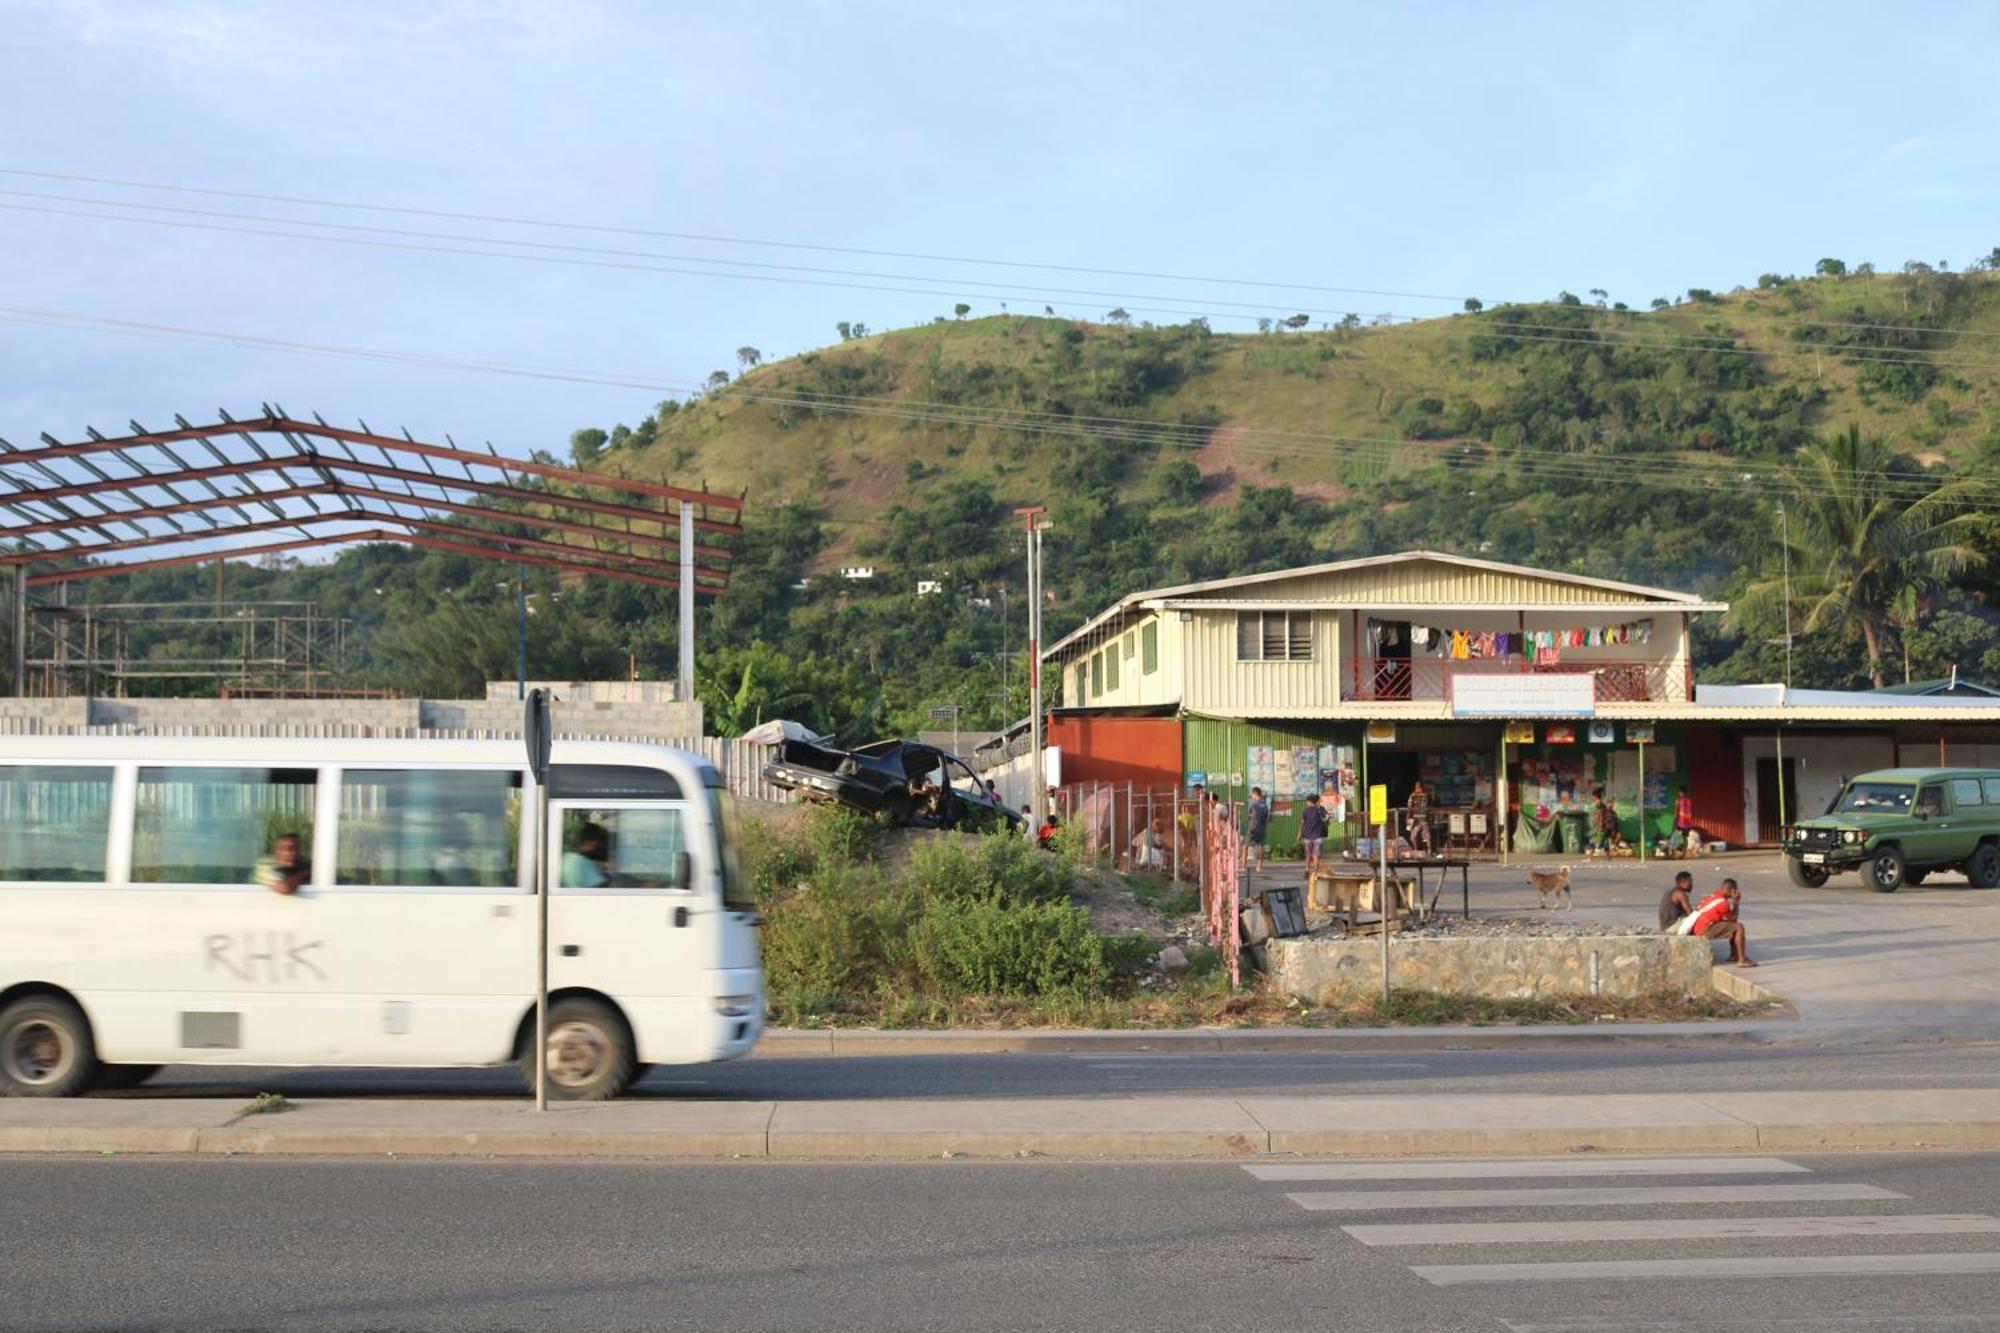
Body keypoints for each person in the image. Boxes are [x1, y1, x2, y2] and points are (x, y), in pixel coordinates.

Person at [1677, 877, 1755, 967]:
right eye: (1735, 889)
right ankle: (1742, 959)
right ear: (1732, 890)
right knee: (1739, 927)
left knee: (1732, 926)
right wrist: (1736, 902)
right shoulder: (1723, 903)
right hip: (1704, 930)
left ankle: (1734, 955)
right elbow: (1733, 919)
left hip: (1699, 927)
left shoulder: (1714, 896)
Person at [562, 821, 611, 888]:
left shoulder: (567, 858)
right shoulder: (583, 863)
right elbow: (603, 891)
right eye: (600, 841)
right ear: (593, 842)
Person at [1299, 792, 1329, 880]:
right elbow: (1327, 817)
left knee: (1308, 855)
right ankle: (1315, 872)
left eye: (1307, 801)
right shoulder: (1321, 809)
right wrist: (1325, 820)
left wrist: (1300, 833)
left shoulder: (1305, 810)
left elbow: (1302, 823)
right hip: (1318, 836)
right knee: (1316, 855)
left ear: (1309, 801)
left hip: (1308, 836)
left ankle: (1307, 870)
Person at [1244, 786, 1270, 873]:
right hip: (1262, 829)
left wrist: (1252, 817)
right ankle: (1259, 867)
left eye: (1252, 795)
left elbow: (1249, 815)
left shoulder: (1253, 804)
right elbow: (1267, 818)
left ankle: (1243, 865)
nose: (1251, 797)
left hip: (1252, 828)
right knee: (1260, 847)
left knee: (1245, 846)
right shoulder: (1265, 806)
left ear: (1255, 794)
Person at [1406, 780, 1431, 853]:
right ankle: (1426, 850)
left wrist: (1408, 818)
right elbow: (1430, 806)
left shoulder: (1413, 796)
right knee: (1425, 836)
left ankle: (1418, 850)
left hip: (1419, 820)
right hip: (1421, 819)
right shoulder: (1425, 795)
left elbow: (1409, 808)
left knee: (1415, 836)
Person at [1593, 789, 1621, 855]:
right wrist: (1600, 825)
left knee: (1608, 841)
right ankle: (1598, 849)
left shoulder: (1614, 813)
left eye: (1612, 803)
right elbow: (1600, 819)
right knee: (1602, 839)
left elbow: (1616, 823)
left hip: (1611, 830)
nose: (1611, 805)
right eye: (1609, 803)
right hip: (1605, 828)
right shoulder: (1604, 811)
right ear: (1607, 804)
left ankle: (1607, 850)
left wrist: (1617, 831)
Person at [1674, 786, 1697, 857]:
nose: (1679, 793)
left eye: (1679, 792)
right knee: (1685, 838)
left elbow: (1676, 811)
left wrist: (1675, 820)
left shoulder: (1678, 801)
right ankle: (1683, 853)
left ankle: (1676, 853)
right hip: (1688, 823)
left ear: (1681, 792)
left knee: (1676, 836)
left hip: (1680, 822)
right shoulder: (1690, 801)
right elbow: (1692, 812)